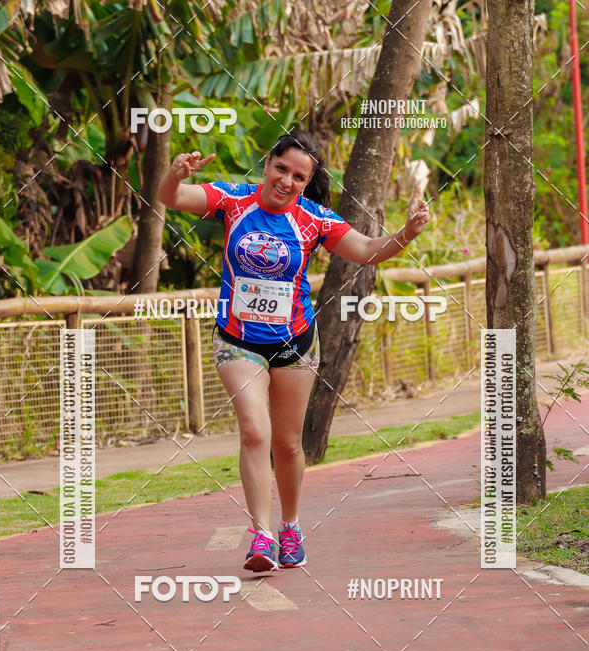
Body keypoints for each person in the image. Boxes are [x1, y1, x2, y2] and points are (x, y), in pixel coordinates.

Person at [158, 129, 430, 573]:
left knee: (286, 445)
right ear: (267, 163)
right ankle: (261, 534)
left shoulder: (315, 219)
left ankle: (290, 527)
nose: (286, 181)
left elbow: (364, 250)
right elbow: (172, 197)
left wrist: (407, 233)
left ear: (307, 182)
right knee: (254, 430)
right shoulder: (232, 199)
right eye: (281, 169)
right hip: (237, 340)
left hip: (296, 341)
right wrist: (175, 175)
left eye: (298, 176)